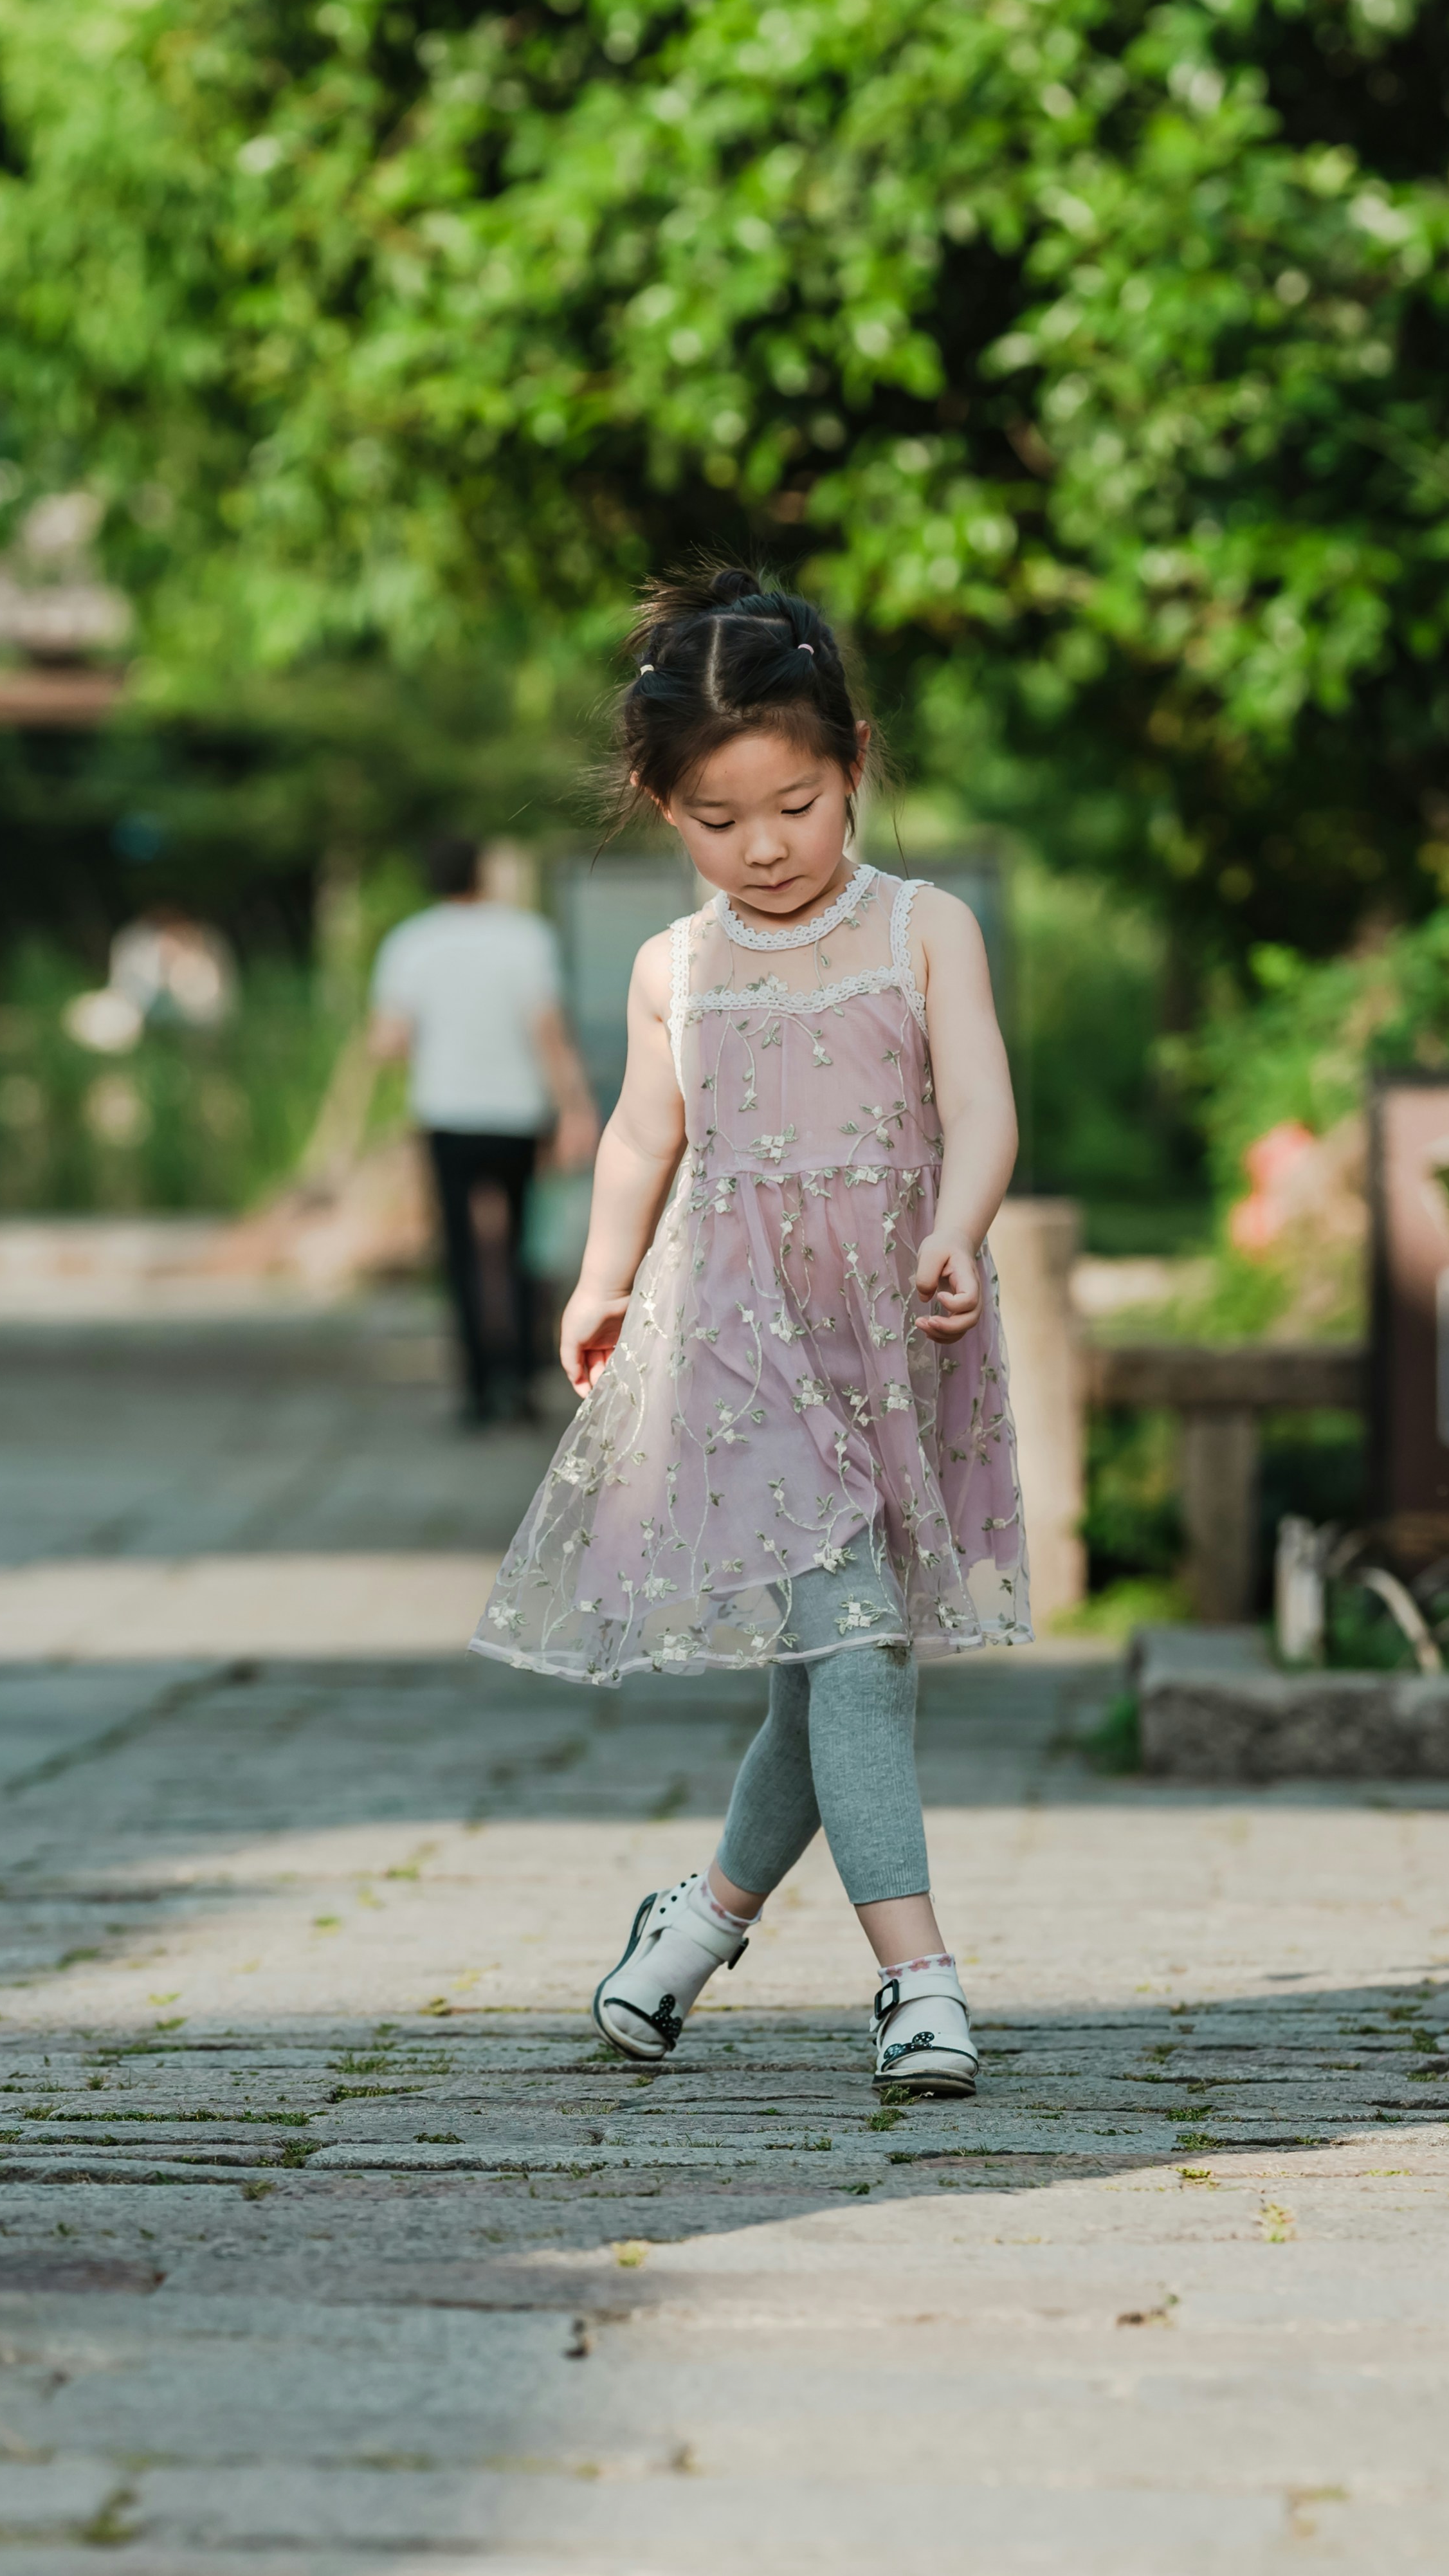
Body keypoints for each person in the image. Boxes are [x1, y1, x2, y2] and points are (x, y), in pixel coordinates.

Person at [471, 572, 1025, 2098]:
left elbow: (981, 1101)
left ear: (853, 760)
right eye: (721, 819)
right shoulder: (675, 966)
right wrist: (597, 1278)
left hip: (893, 1323)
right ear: (663, 807)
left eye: (798, 801)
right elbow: (646, 1139)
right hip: (737, 1335)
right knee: (852, 1638)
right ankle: (917, 1973)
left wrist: (959, 1224)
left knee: (825, 1657)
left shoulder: (922, 928)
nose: (766, 845)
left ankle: (695, 1921)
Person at [369, 837, 599, 1426]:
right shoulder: (525, 937)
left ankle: (474, 1388)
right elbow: (549, 1031)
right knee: (525, 1245)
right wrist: (575, 1107)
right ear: (484, 874)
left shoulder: (409, 942)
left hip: (447, 1113)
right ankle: (523, 1380)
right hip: (519, 1114)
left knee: (462, 1252)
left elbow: (388, 1040)